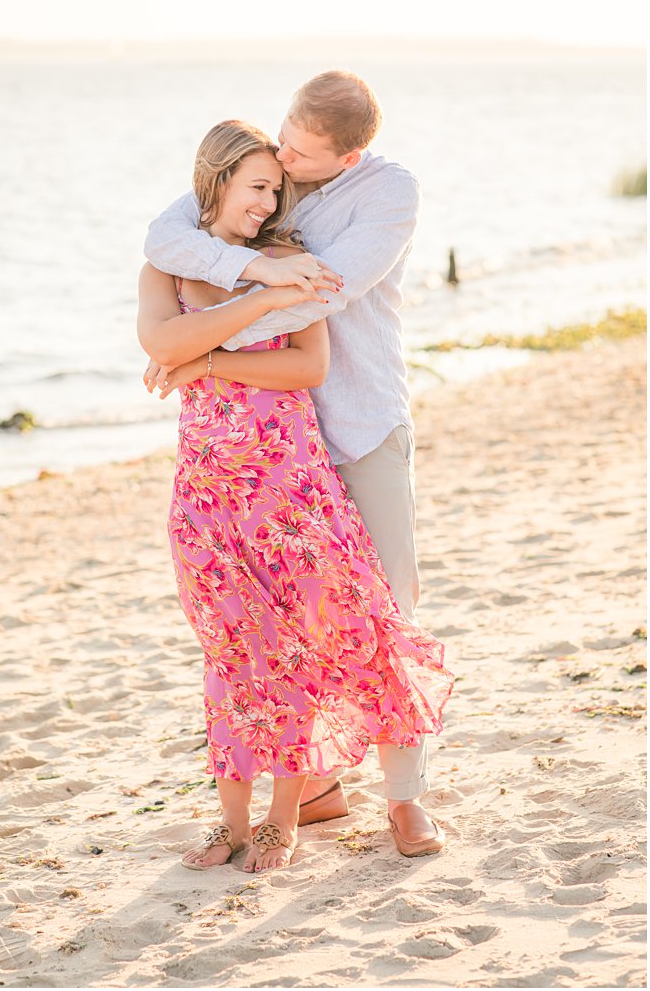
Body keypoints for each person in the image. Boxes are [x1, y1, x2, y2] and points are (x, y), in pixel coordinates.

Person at [142, 71, 452, 859]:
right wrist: (254, 275)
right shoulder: (269, 181)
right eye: (282, 135)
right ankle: (312, 787)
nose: (283, 155)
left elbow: (320, 299)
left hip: (358, 426)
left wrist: (203, 352)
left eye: (301, 152)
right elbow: (166, 240)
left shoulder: (387, 196)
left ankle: (406, 798)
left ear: (347, 158)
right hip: (274, 455)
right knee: (282, 622)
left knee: (384, 606)